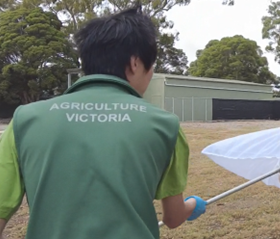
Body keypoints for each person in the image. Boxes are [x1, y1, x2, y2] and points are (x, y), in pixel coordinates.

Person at [0, 6, 207, 239]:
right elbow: (173, 218)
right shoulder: (165, 125)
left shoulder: (25, 120)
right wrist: (193, 204)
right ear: (135, 63)